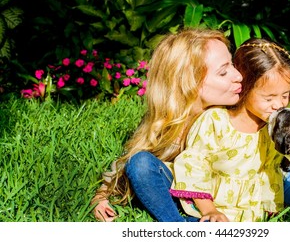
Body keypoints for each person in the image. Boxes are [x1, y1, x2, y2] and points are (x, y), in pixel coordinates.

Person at [91, 28, 243, 222]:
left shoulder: (236, 115)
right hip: (187, 193)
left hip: (228, 195)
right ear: (189, 83)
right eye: (223, 72)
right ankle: (176, 226)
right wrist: (100, 197)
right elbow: (126, 164)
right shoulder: (169, 125)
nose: (238, 75)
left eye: (232, 64)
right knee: (140, 163)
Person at [169, 38, 290, 222]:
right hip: (220, 208)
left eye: (285, 95)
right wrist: (209, 210)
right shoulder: (216, 121)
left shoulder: (274, 127)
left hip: (259, 210)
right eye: (269, 98)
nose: (279, 105)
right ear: (244, 87)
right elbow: (195, 165)